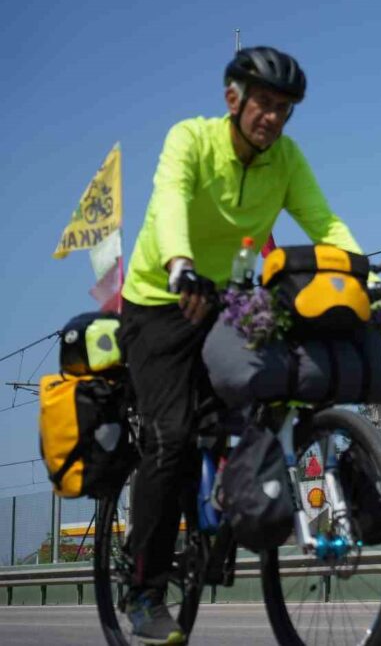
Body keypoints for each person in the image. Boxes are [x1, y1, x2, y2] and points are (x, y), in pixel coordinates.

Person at [118, 46, 362, 644]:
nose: (273, 118)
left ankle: (234, 503)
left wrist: (365, 277)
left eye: (284, 109)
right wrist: (178, 263)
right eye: (264, 104)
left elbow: (324, 225)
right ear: (234, 99)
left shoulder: (286, 160)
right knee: (171, 437)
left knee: (272, 389)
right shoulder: (191, 140)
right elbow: (170, 201)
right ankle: (144, 588)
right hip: (159, 301)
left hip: (225, 303)